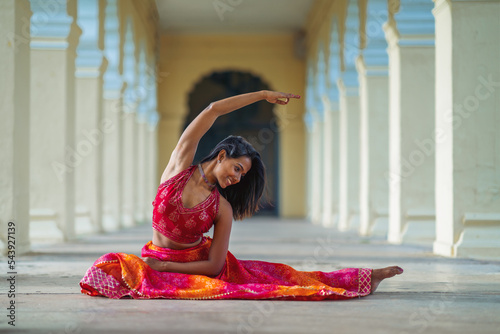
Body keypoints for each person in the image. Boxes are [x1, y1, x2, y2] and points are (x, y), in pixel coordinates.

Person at [80, 90, 403, 300]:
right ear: (221, 156)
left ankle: (363, 277)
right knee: (104, 268)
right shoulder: (178, 168)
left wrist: (163, 270)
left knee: (278, 279)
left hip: (189, 266)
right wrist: (262, 95)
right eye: (236, 168)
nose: (237, 178)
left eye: (242, 176)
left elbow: (213, 265)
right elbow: (211, 109)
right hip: (155, 257)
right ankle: (360, 278)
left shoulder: (220, 207)